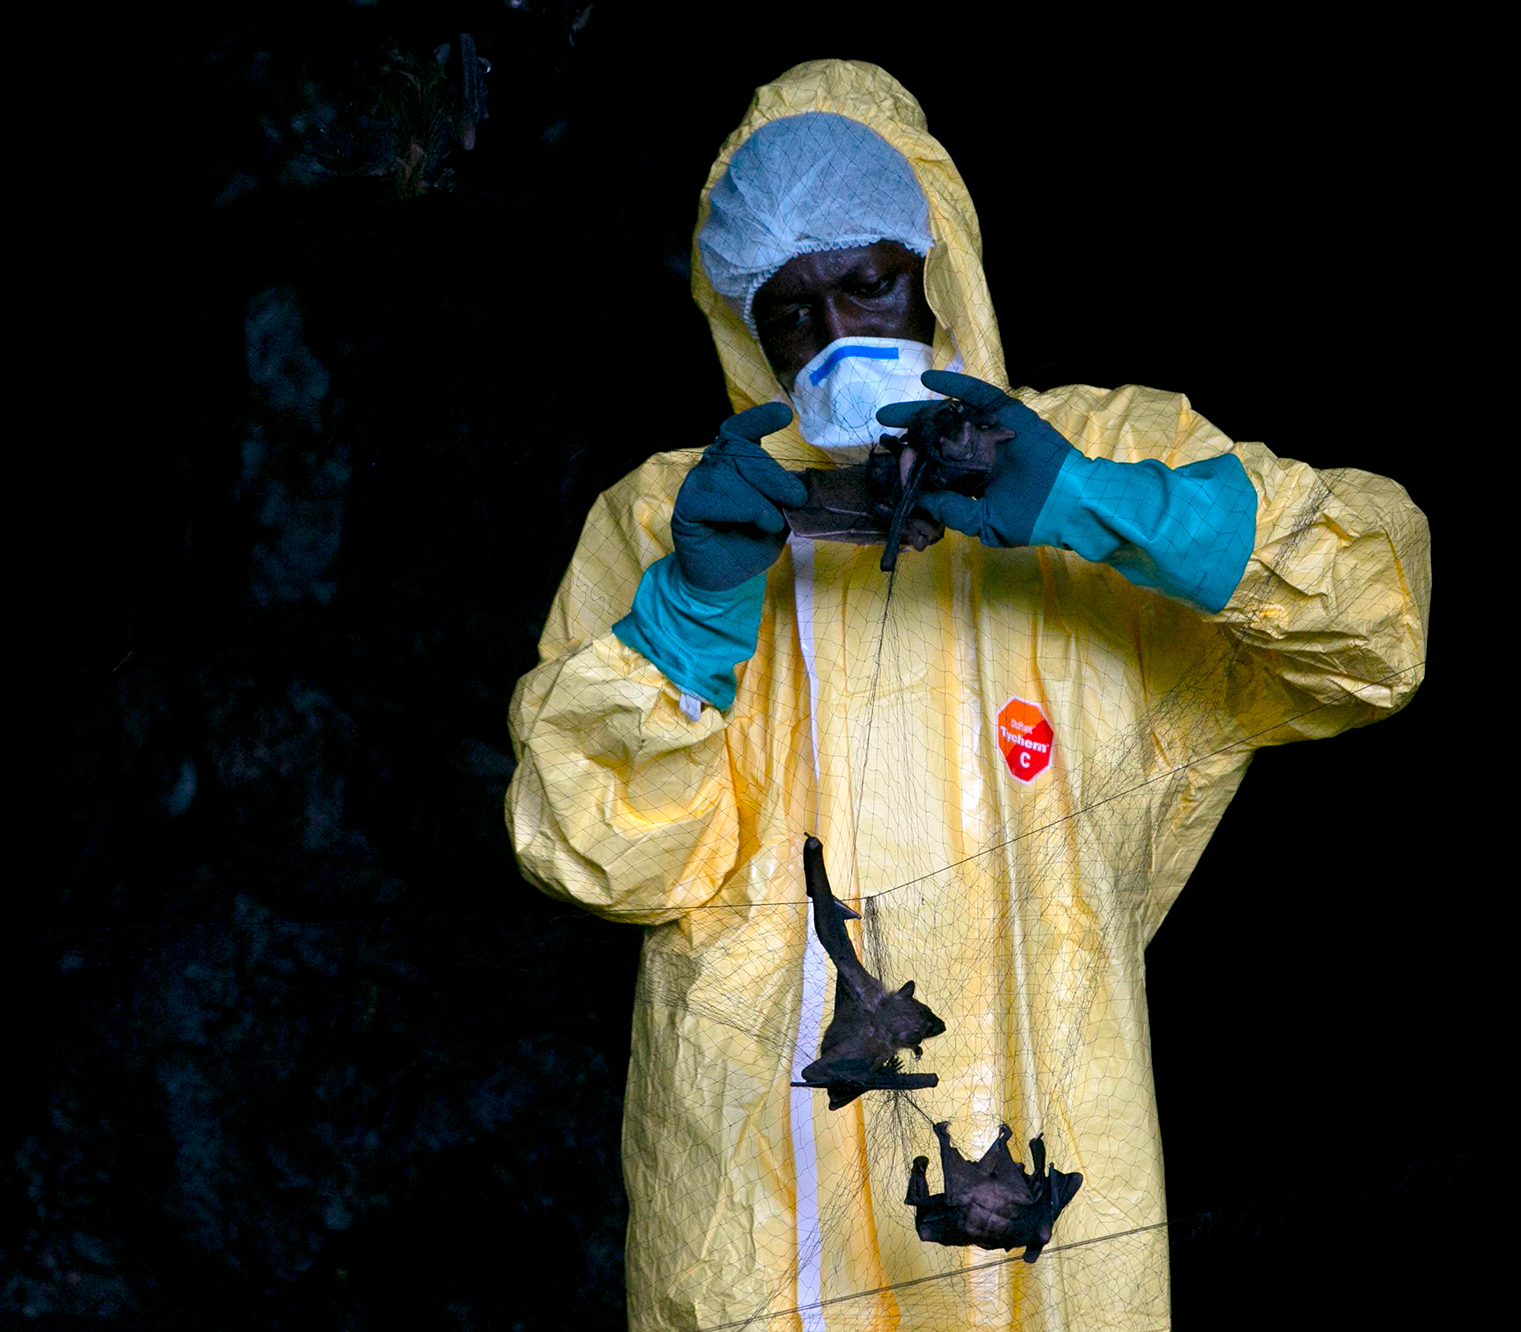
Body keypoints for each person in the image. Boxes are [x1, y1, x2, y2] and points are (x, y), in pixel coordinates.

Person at [505, 60, 1430, 1331]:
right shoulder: (676, 514)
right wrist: (694, 606)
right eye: (791, 312)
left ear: (935, 264)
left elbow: (1377, 624)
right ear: (744, 328)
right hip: (764, 1196)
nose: (837, 338)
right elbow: (591, 856)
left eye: (869, 283)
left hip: (1039, 1161)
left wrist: (1091, 507)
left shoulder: (1105, 446)